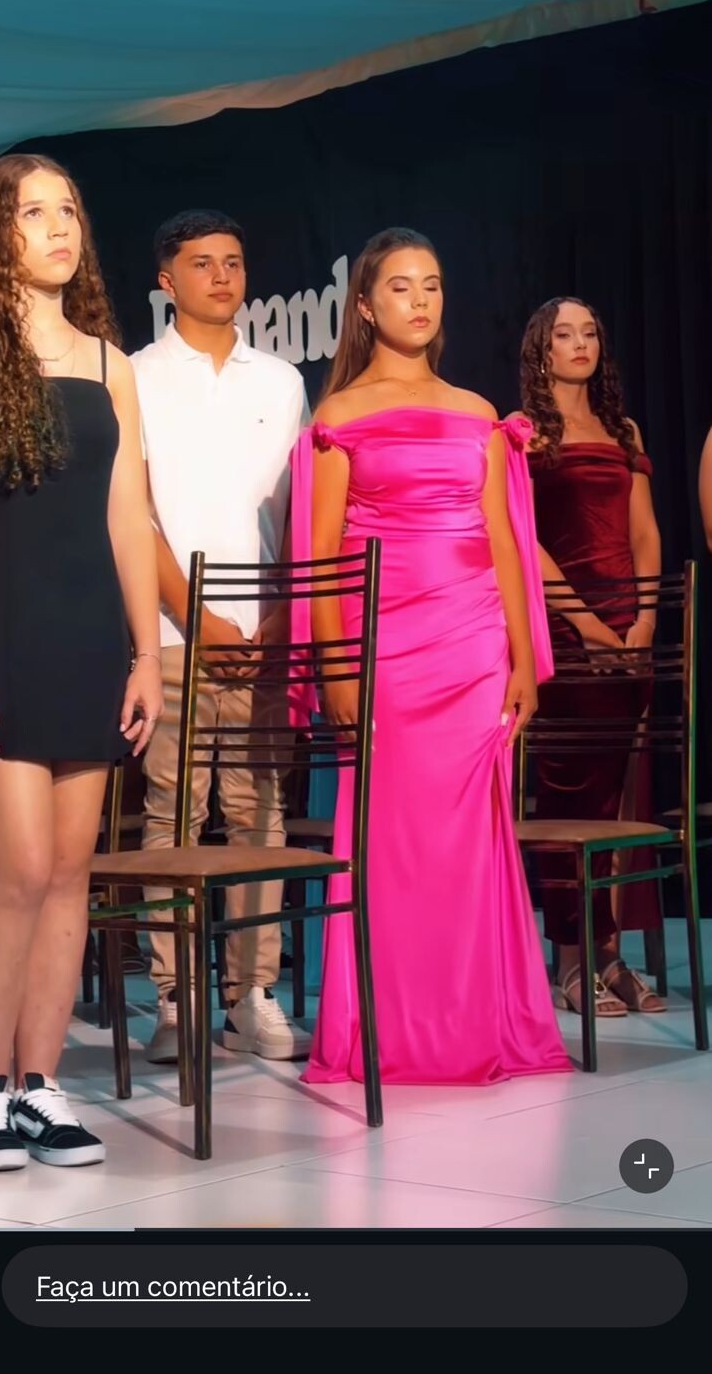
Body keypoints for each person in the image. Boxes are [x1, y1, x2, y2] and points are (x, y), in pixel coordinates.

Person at [289, 227, 571, 1084]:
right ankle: (392, 1029)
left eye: (433, 285)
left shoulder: (480, 413)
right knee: (391, 841)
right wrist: (336, 670)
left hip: (474, 648)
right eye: (401, 287)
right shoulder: (337, 418)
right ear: (365, 307)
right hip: (383, 652)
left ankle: (474, 1023)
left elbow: (506, 542)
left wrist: (523, 660)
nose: (420, 301)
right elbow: (320, 559)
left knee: (470, 841)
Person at [0, 154, 162, 1172]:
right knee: (16, 870)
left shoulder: (107, 362)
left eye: (69, 210)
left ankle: (38, 1087)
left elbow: (129, 517)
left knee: (69, 872)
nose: (59, 227)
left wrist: (148, 654)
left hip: (91, 635)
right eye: (32, 211)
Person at [131, 210, 311, 1064]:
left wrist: (278, 616)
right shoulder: (134, 376)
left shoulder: (280, 380)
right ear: (166, 281)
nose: (222, 277)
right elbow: (134, 513)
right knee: (171, 810)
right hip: (172, 631)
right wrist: (196, 618)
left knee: (259, 813)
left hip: (266, 631)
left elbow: (303, 510)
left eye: (233, 262)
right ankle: (175, 1000)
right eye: (202, 264)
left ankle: (252, 995)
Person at [520, 296, 665, 1017]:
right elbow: (524, 542)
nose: (580, 344)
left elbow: (644, 533)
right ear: (541, 350)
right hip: (565, 634)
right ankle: (572, 960)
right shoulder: (522, 434)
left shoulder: (622, 429)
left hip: (628, 631)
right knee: (567, 798)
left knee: (614, 802)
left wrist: (643, 621)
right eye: (564, 334)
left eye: (590, 333)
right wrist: (585, 622)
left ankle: (610, 954)